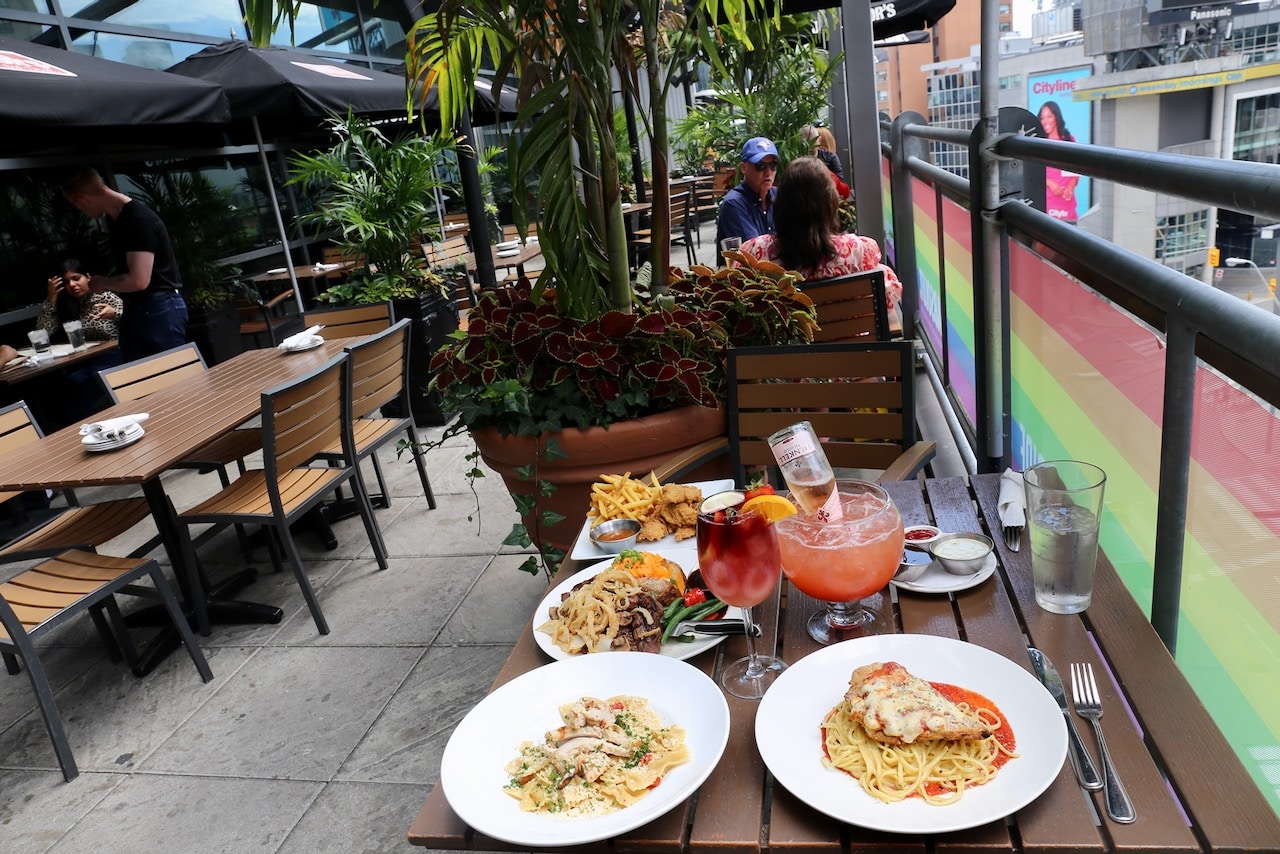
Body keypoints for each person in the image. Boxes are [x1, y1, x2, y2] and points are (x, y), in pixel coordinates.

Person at [59, 167, 188, 361]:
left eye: (77, 205)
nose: (80, 210)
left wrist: (103, 282)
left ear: (83, 198)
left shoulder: (137, 219)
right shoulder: (117, 219)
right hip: (140, 307)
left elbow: (138, 281)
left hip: (159, 305)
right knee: (140, 377)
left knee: (175, 374)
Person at [741, 156, 902, 310]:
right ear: (829, 203)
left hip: (792, 338)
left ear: (781, 204)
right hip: (851, 338)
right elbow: (888, 299)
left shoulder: (755, 252)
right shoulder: (858, 251)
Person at [37, 258, 123, 344]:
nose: (72, 284)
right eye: (66, 282)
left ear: (88, 277)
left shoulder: (105, 296)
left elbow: (132, 317)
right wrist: (50, 300)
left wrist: (115, 313)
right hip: (85, 354)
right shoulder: (66, 305)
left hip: (115, 350)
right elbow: (42, 335)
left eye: (76, 278)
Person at [715, 137, 780, 250]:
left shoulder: (779, 196)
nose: (768, 172)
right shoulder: (734, 203)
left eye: (773, 165)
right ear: (744, 168)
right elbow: (754, 251)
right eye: (761, 166)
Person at [1037, 100, 1079, 222]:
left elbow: (1075, 169)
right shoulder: (1038, 141)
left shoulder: (1069, 139)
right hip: (1046, 201)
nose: (1045, 121)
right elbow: (1032, 173)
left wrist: (1070, 187)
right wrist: (1050, 183)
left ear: (1056, 117)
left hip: (1066, 201)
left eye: (1049, 116)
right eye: (1042, 118)